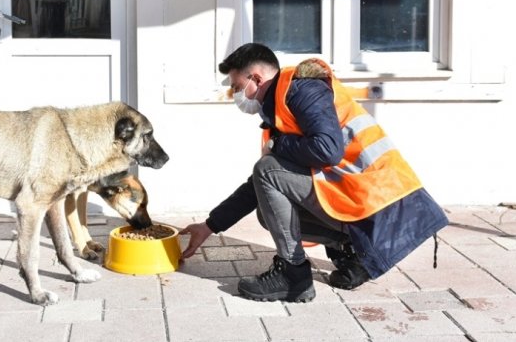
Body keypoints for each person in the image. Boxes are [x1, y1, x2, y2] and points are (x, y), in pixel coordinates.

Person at [180, 43, 448, 303]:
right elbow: (259, 185)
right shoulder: (280, 107)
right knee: (266, 205)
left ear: (257, 78)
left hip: (384, 203)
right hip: (363, 197)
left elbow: (328, 151)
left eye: (237, 87)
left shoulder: (303, 90)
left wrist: (277, 145)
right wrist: (210, 226)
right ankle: (351, 248)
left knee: (267, 170)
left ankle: (293, 274)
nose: (236, 96)